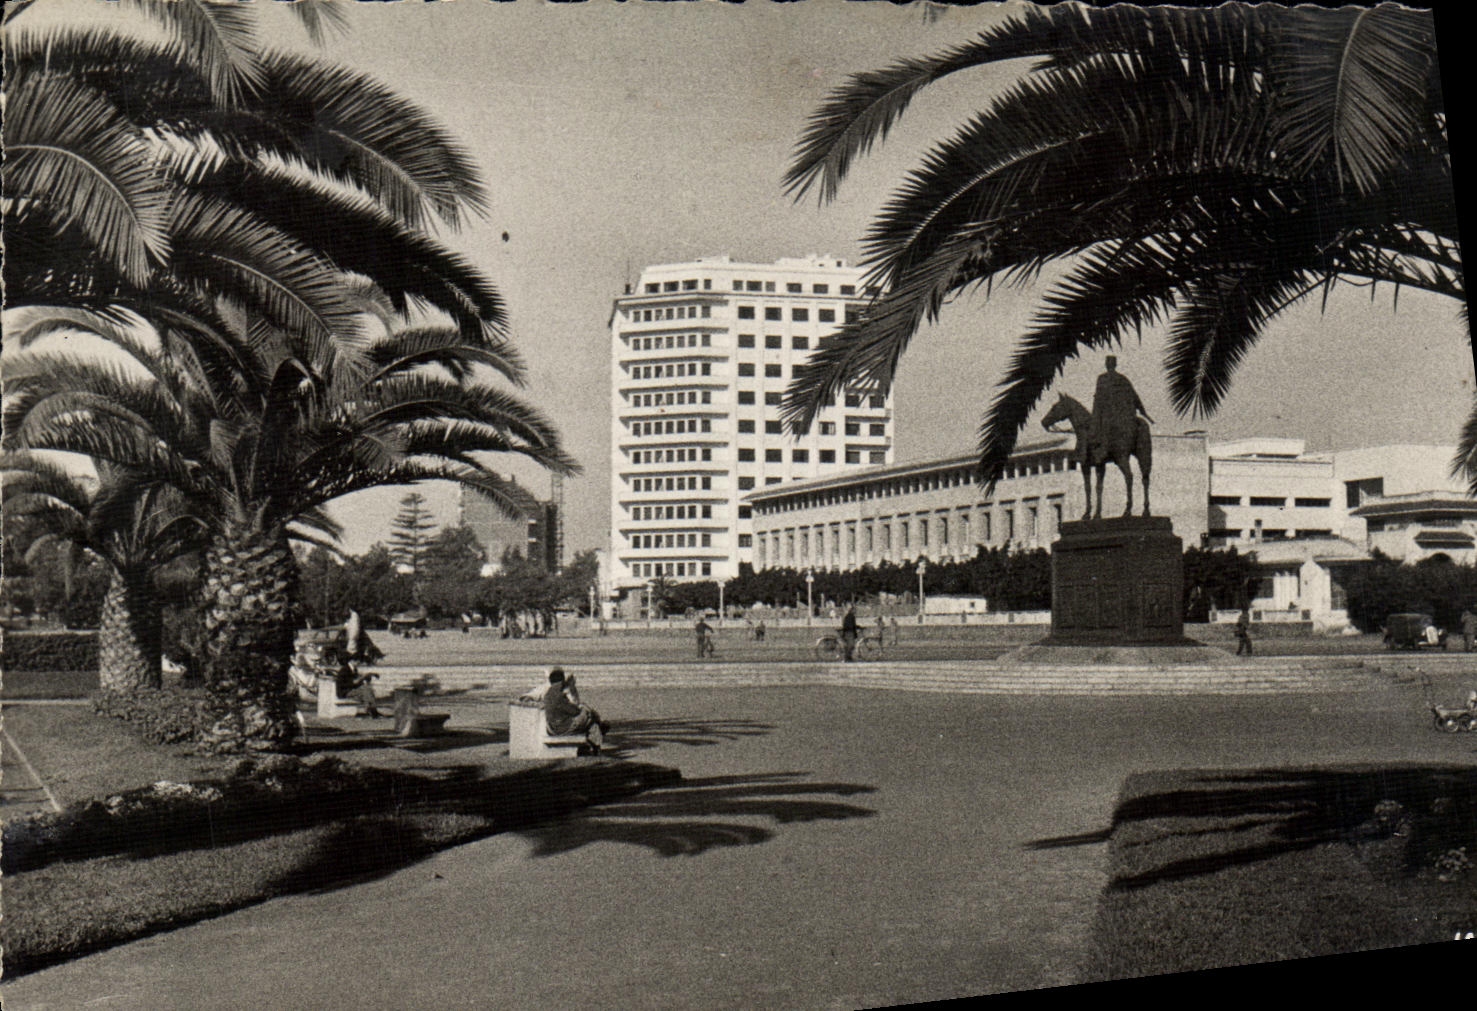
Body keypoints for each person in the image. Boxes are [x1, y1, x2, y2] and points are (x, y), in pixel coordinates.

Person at [1089, 355, 1152, 458]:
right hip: (1125, 414)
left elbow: (1098, 399)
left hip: (1110, 415)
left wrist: (1095, 416)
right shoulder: (1123, 378)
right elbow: (1135, 396)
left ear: (1106, 365)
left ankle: (1102, 452)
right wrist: (1142, 411)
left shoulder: (1102, 378)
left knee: (1098, 428)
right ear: (1115, 365)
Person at [542, 668, 609, 752]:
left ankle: (596, 742)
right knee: (587, 712)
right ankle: (599, 731)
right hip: (562, 728)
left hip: (552, 728)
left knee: (591, 721)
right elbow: (575, 711)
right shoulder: (559, 696)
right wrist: (572, 688)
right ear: (561, 681)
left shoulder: (548, 694)